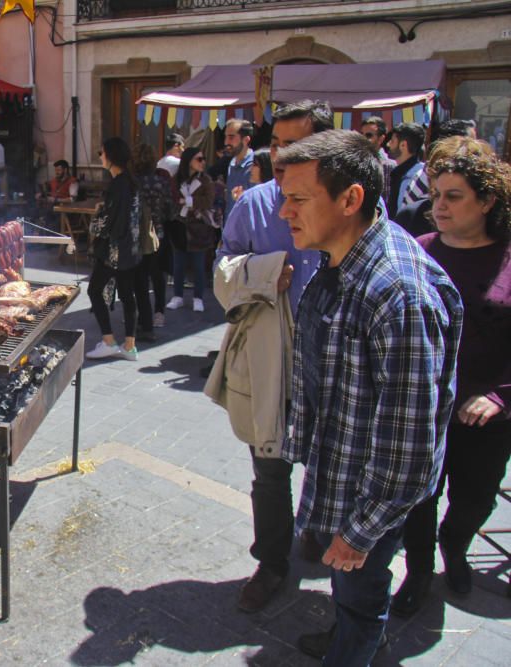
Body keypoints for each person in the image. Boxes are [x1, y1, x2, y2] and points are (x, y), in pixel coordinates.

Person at [277, 130, 462, 665]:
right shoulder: (342, 257)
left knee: (360, 590)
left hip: (370, 501)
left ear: (351, 199)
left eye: (299, 198)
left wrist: (358, 535)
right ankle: (350, 638)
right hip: (347, 478)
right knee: (349, 591)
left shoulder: (397, 293)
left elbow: (410, 450)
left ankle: (353, 649)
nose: (284, 211)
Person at [214, 99, 329, 614]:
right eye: (278, 143)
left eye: (297, 144)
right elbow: (222, 269)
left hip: (333, 353)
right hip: (272, 355)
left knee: (332, 460)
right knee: (270, 465)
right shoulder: (255, 203)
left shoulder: (350, 201)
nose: (282, 155)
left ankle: (323, 533)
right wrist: (261, 272)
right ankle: (273, 561)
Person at [391, 148, 511, 617]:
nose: (439, 206)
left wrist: (499, 396)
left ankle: (454, 546)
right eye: (436, 195)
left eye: (453, 197)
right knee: (420, 497)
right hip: (422, 410)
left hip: (485, 416)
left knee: (475, 496)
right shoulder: (413, 251)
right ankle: (419, 570)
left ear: (486, 202)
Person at [85, 137, 141, 362]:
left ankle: (108, 341)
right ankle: (130, 347)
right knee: (128, 296)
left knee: (94, 291)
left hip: (113, 251)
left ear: (111, 156)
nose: (100, 156)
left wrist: (96, 217)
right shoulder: (130, 182)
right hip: (130, 250)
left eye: (102, 152)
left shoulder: (117, 185)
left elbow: (105, 223)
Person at [132, 143, 175, 338]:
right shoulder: (161, 182)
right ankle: (159, 312)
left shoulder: (133, 182)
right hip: (159, 232)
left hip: (138, 235)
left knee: (140, 276)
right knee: (158, 275)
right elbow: (170, 208)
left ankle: (142, 313)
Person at [167, 146, 215, 313]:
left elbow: (208, 201)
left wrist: (188, 201)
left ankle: (198, 297)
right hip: (180, 225)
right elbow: (171, 199)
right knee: (178, 264)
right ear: (189, 161)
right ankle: (178, 296)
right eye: (198, 159)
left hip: (198, 227)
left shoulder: (206, 180)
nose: (202, 162)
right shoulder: (176, 179)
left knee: (198, 265)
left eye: (203, 159)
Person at [386, 122, 425, 218]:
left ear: (403, 145)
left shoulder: (416, 178)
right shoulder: (399, 173)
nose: (388, 144)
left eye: (392, 141)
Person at [359, 116, 396, 205]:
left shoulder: (388, 165)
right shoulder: (358, 161)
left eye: (368, 135)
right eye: (361, 134)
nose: (363, 139)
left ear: (381, 139)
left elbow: (386, 200)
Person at [224, 120, 254, 219]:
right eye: (226, 137)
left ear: (246, 140)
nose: (226, 142)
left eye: (231, 137)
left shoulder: (255, 166)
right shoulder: (232, 163)